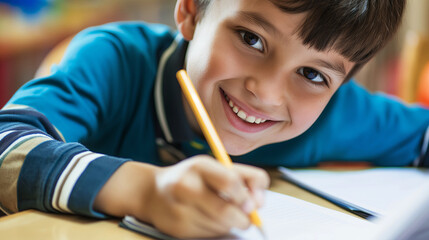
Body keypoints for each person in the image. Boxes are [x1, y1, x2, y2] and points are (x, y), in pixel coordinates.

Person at [0, 0, 425, 238]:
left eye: (313, 74)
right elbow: (6, 146)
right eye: (251, 39)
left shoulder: (334, 114)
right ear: (190, 12)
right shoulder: (113, 61)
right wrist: (146, 192)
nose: (268, 94)